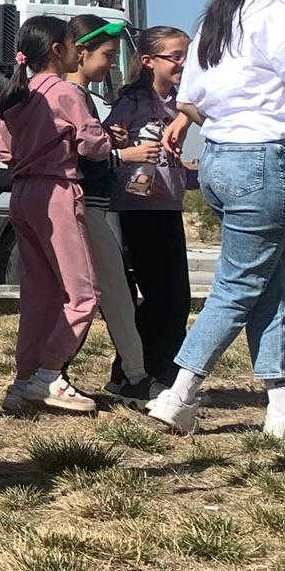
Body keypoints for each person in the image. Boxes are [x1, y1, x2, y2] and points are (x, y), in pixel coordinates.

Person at [150, 0, 285, 441]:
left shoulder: (214, 18)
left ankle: (282, 401)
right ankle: (179, 390)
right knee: (239, 285)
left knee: (273, 281)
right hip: (263, 160)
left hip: (219, 159)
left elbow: (193, 99)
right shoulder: (281, 15)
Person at [0, 16, 107, 414]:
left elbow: (5, 152)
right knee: (83, 294)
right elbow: (93, 145)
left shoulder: (14, 96)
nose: (80, 51)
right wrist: (110, 140)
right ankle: (48, 374)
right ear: (58, 50)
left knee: (38, 293)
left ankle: (23, 379)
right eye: (74, 45)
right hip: (58, 190)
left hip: (22, 193)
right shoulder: (65, 93)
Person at [59, 14, 153, 401]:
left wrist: (110, 143)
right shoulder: (72, 95)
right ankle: (134, 375)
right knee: (113, 292)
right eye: (107, 55)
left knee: (99, 293)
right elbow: (79, 153)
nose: (112, 63)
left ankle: (50, 370)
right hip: (88, 205)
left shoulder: (75, 96)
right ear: (81, 53)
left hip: (87, 204)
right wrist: (124, 152)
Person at [105, 25, 195, 395]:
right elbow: (109, 142)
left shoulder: (179, 101)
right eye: (175, 56)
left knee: (176, 296)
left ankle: (147, 371)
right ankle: (141, 373)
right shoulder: (133, 102)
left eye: (186, 55)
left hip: (168, 204)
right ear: (148, 61)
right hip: (139, 209)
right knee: (162, 295)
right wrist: (121, 143)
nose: (183, 63)